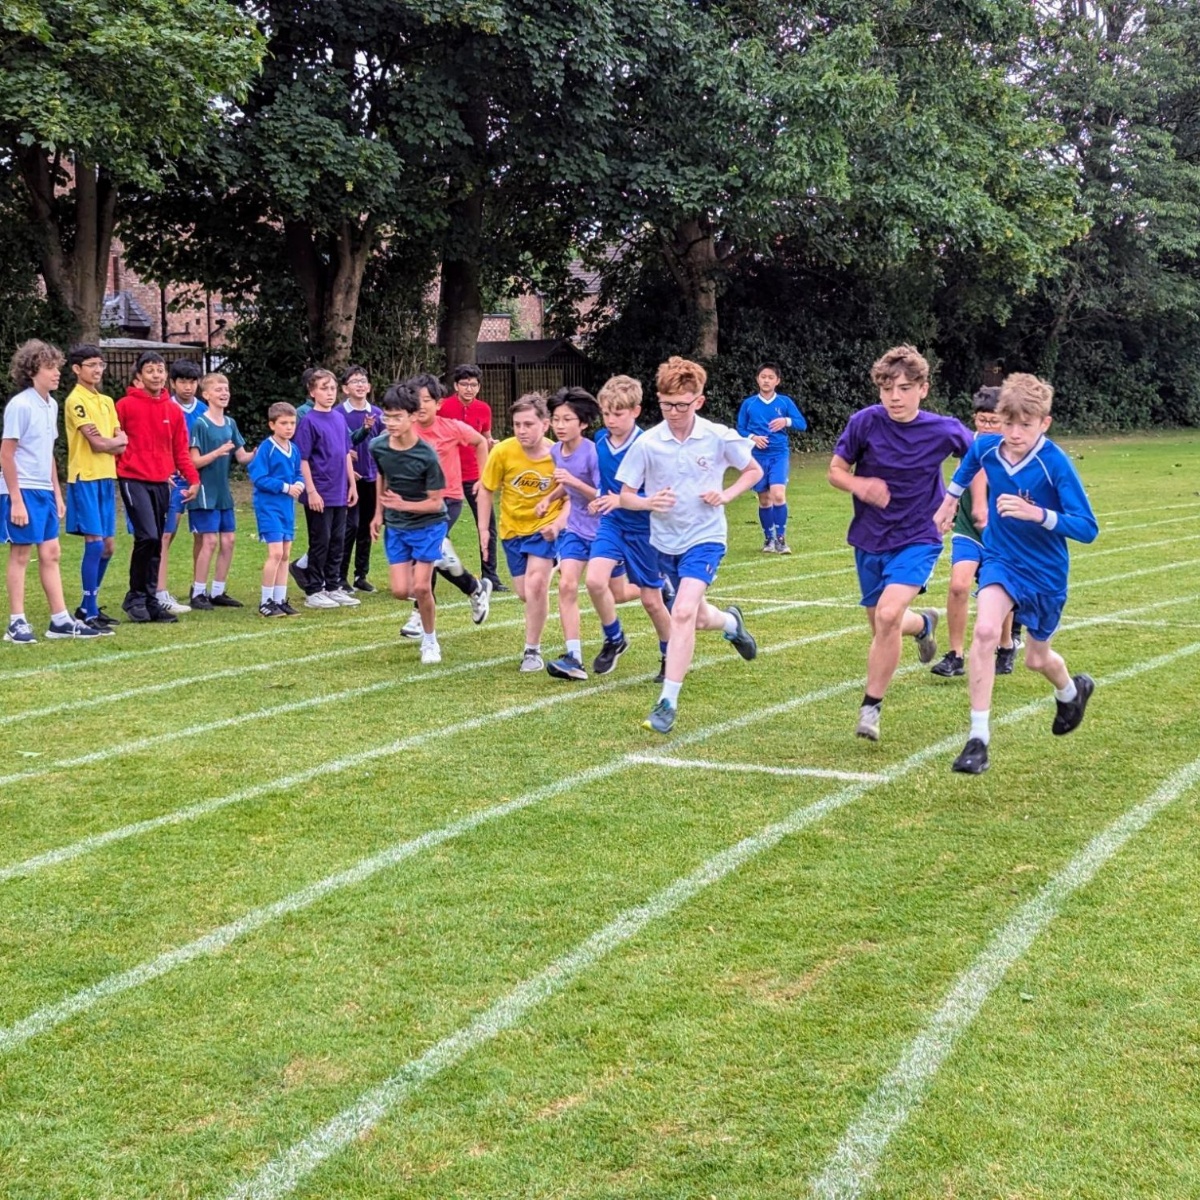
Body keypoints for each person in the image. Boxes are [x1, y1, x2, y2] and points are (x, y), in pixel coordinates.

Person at [934, 373, 1098, 774]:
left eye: (1026, 424)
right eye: (1008, 423)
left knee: (1037, 659)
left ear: (1044, 423)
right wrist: (950, 501)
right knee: (986, 632)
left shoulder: (1054, 462)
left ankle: (1072, 691)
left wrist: (1038, 514)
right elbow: (971, 460)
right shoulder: (990, 447)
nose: (1015, 432)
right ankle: (978, 740)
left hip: (1045, 573)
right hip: (1003, 561)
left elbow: (1087, 527)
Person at [827, 344, 970, 742]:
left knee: (887, 617)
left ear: (923, 389)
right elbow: (836, 471)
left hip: (918, 536)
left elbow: (978, 458)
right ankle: (924, 623)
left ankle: (871, 707)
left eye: (905, 388)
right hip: (870, 537)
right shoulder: (864, 423)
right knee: (881, 623)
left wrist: (956, 500)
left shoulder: (944, 429)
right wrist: (860, 484)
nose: (895, 396)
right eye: (887, 388)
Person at [616, 356, 761, 733]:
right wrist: (649, 502)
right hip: (664, 542)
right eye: (666, 405)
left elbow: (753, 471)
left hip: (706, 538)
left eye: (681, 405)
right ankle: (731, 623)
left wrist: (726, 494)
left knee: (680, 613)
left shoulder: (717, 436)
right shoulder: (647, 443)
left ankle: (668, 701)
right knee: (695, 616)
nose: (674, 412)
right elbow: (625, 496)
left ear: (699, 400)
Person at [1, 339, 102, 642]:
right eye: (50, 368)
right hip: (21, 490)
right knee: (21, 553)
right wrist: (16, 500)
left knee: (51, 552)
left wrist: (57, 495)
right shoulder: (20, 405)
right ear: (33, 371)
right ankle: (16, 622)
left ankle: (59, 620)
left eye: (57, 367)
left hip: (44, 491)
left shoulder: (52, 404)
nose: (57, 373)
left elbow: (47, 454)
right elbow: (6, 454)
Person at [585, 375, 673, 681]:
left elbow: (661, 497)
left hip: (646, 531)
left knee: (651, 601)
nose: (610, 420)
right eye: (606, 413)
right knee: (595, 581)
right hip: (613, 525)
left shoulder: (649, 446)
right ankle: (614, 638)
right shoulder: (599, 440)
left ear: (636, 411)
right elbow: (606, 485)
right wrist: (599, 499)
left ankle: (669, 654)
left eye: (617, 413)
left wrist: (621, 501)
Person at [930, 386, 1020, 678]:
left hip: (1002, 533)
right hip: (969, 528)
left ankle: (1006, 645)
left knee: (998, 591)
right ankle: (955, 655)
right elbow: (958, 481)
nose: (988, 426)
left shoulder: (1017, 449)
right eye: (982, 421)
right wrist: (948, 510)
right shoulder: (969, 446)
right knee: (958, 586)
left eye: (994, 421)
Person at [395, 373, 491, 635]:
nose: (422, 404)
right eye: (417, 399)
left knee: (427, 551)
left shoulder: (451, 428)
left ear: (439, 404)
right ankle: (474, 587)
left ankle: (418, 613)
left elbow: (480, 442)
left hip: (448, 499)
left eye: (428, 399)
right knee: (432, 555)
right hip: (417, 502)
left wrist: (484, 478)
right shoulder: (405, 430)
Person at [477, 393, 566, 671]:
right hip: (512, 530)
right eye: (517, 425)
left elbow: (573, 497)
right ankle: (555, 567)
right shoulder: (503, 451)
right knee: (524, 593)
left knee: (536, 585)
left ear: (545, 424)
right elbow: (486, 488)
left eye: (528, 424)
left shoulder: (559, 455)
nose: (522, 430)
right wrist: (483, 529)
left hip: (545, 528)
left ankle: (532, 651)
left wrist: (558, 524)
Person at [116, 351, 200, 623]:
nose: (157, 375)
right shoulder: (125, 405)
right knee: (148, 537)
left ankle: (151, 600)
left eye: (160, 370)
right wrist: (124, 466)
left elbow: (181, 451)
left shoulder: (172, 410)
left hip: (163, 482)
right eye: (150, 370)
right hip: (133, 479)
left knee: (156, 544)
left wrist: (193, 479)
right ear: (139, 375)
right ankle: (135, 597)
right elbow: (115, 442)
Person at [369, 383, 450, 664]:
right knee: (400, 591)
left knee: (422, 588)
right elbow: (382, 475)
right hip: (396, 526)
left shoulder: (427, 455)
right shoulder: (377, 446)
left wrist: (405, 504)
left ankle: (430, 641)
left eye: (397, 417)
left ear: (413, 416)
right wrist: (379, 513)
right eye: (386, 417)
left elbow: (436, 502)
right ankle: (441, 560)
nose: (391, 423)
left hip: (429, 525)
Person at [539, 388, 610, 680]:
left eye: (567, 419)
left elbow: (600, 493)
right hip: (575, 530)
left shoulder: (593, 452)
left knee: (616, 593)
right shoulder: (556, 451)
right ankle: (574, 657)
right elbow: (565, 484)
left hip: (604, 531)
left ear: (582, 423)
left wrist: (571, 483)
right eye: (556, 419)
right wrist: (551, 498)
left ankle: (657, 588)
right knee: (566, 585)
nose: (559, 425)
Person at [63, 343, 126, 631]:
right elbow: (100, 443)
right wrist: (113, 442)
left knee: (109, 547)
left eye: (100, 364)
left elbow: (119, 443)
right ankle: (87, 611)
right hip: (85, 477)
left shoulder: (107, 401)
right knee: (95, 543)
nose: (98, 370)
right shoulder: (75, 401)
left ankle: (89, 605)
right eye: (91, 365)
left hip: (105, 477)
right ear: (77, 369)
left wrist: (112, 443)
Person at [186, 372, 253, 609]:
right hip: (204, 491)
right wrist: (217, 452)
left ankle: (218, 591)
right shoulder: (200, 423)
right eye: (218, 390)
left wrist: (262, 451)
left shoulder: (231, 423)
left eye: (226, 389)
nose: (224, 393)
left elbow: (242, 456)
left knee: (229, 541)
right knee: (210, 541)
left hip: (224, 492)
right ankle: (198, 592)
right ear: (206, 395)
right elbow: (193, 461)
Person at [293, 368, 359, 609]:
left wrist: (352, 485)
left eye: (332, 388)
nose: (329, 393)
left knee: (338, 540)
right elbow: (303, 460)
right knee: (321, 540)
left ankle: (333, 586)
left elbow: (344, 455)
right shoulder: (309, 421)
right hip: (319, 491)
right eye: (323, 388)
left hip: (340, 491)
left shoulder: (339, 418)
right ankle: (313, 589)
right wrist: (311, 491)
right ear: (312, 392)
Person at [440, 363, 503, 590]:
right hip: (448, 478)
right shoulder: (443, 408)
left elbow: (485, 436)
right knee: (438, 528)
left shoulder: (483, 409)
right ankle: (427, 575)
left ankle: (491, 577)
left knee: (487, 526)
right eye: (465, 384)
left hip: (476, 476)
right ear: (456, 386)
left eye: (474, 384)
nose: (469, 388)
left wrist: (491, 443)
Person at [736, 362, 807, 553]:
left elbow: (802, 424)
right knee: (765, 499)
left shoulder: (784, 402)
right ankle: (769, 539)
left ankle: (781, 540)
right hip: (757, 457)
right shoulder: (749, 404)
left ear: (777, 381)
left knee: (778, 494)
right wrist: (753, 438)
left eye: (770, 377)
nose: (766, 380)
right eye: (763, 377)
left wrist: (786, 420)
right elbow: (740, 429)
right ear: (757, 379)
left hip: (779, 454)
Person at [155, 358, 206, 615]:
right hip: (172, 480)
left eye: (192, 381)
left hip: (198, 479)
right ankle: (159, 590)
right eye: (182, 381)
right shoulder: (164, 407)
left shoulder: (204, 409)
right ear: (172, 383)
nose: (188, 387)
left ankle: (200, 590)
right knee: (166, 534)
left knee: (203, 534)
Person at [248, 402, 305, 617]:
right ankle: (266, 602)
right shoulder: (267, 448)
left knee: (286, 553)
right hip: (269, 507)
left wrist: (299, 484)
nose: (289, 427)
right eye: (284, 423)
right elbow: (259, 477)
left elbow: (298, 472)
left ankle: (280, 600)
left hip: (286, 508)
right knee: (276, 553)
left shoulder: (295, 448)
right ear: (272, 425)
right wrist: (285, 487)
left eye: (292, 423)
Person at [338, 365, 382, 593]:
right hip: (349, 480)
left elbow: (386, 440)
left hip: (372, 478)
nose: (360, 384)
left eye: (363, 380)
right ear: (345, 388)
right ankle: (339, 575)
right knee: (350, 527)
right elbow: (339, 445)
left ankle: (360, 575)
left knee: (366, 527)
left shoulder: (377, 413)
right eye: (355, 381)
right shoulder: (338, 414)